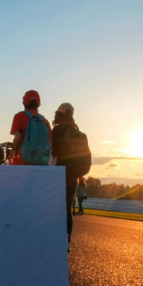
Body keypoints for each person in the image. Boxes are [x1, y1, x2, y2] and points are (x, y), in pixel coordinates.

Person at [51, 102, 88, 244]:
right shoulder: (80, 134)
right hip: (72, 178)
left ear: (59, 114)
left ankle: (53, 241)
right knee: (66, 208)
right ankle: (66, 241)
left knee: (53, 209)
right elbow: (86, 162)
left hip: (55, 176)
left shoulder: (56, 131)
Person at [10, 90, 52, 165]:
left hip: (22, 161)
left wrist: (13, 149)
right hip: (41, 162)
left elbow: (17, 137)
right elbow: (50, 144)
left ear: (24, 102)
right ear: (39, 103)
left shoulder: (19, 116)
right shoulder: (45, 121)